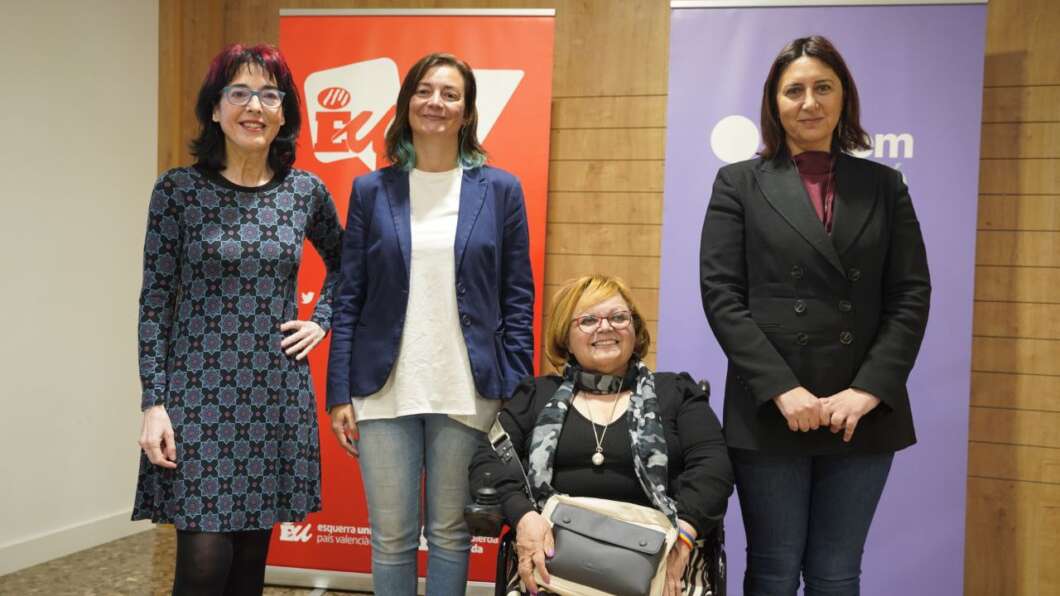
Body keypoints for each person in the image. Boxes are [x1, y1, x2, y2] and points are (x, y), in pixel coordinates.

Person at [699, 35, 931, 596]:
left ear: (843, 97)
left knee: (836, 573)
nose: (809, 102)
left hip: (861, 412)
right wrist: (782, 389)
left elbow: (910, 294)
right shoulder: (738, 183)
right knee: (773, 571)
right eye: (794, 90)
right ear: (774, 103)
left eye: (823, 87)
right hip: (771, 410)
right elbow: (721, 294)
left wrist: (868, 390)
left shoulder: (885, 185)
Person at [133, 44, 342, 595]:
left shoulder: (304, 192)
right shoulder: (178, 191)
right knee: (203, 565)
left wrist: (321, 319)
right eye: (240, 93)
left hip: (273, 393)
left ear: (284, 112)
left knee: (249, 567)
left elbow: (350, 265)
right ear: (215, 108)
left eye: (270, 95)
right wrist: (153, 402)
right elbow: (155, 300)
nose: (255, 106)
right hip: (196, 398)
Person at [325, 52, 535, 595]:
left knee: (449, 533)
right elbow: (350, 296)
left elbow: (518, 296)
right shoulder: (371, 190)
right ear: (406, 103)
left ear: (467, 111)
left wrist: (518, 389)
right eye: (424, 90)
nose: (435, 102)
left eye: (449, 93)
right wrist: (339, 391)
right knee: (391, 538)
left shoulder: (501, 190)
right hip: (383, 387)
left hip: (468, 387)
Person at [469, 274, 734, 596]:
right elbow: (487, 462)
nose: (605, 327)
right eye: (589, 320)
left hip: (661, 564)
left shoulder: (676, 393)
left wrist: (684, 536)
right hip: (552, 567)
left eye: (618, 317)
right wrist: (524, 517)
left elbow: (713, 467)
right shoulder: (536, 396)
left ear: (635, 330)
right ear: (565, 337)